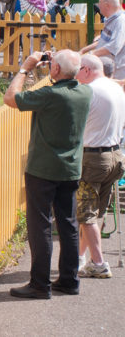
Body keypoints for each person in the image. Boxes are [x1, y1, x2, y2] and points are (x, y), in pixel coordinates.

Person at [4, 49, 90, 299]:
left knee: (40, 225)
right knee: (69, 224)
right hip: (71, 169)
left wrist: (25, 68)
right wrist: (57, 64)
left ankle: (40, 284)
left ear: (55, 71)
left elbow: (10, 98)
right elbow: (69, 72)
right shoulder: (85, 92)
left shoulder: (50, 95)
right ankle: (69, 280)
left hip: (42, 169)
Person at [73, 54, 125, 279]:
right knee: (96, 213)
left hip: (94, 159)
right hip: (115, 155)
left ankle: (99, 262)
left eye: (77, 70)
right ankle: (80, 258)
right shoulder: (114, 88)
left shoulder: (90, 91)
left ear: (85, 70)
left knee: (85, 214)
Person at [81, 0, 125, 80]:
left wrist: (91, 55)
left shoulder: (120, 21)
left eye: (99, 2)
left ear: (107, 5)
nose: (98, 5)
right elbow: (103, 41)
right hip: (110, 69)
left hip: (117, 72)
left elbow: (114, 46)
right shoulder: (111, 19)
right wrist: (83, 51)